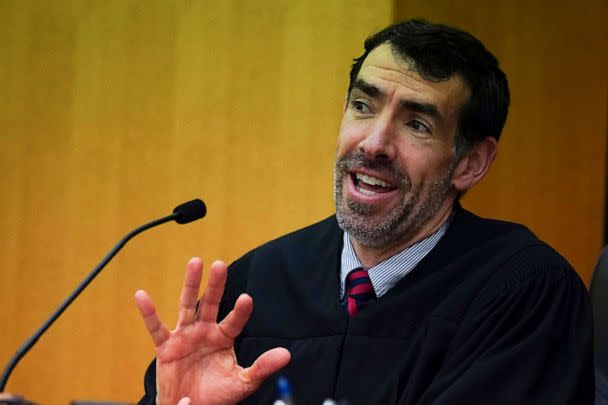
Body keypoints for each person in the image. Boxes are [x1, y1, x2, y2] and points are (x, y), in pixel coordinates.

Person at [135, 19, 594, 405]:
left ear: (470, 162)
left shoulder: (522, 292)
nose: (374, 143)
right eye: (362, 106)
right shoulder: (253, 287)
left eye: (417, 124)